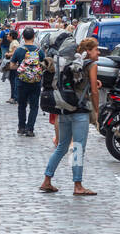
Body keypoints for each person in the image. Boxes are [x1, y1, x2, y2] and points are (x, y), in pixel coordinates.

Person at [40, 37, 101, 195]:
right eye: (96, 49)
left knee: (61, 147)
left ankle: (47, 180)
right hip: (80, 112)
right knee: (78, 148)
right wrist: (97, 110)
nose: (99, 52)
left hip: (64, 108)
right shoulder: (92, 65)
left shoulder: (72, 62)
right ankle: (78, 185)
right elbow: (94, 91)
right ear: (88, 51)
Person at [9, 28, 44, 137]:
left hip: (22, 81)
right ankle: (30, 128)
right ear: (34, 37)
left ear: (23, 37)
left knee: (22, 105)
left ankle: (21, 127)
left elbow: (11, 66)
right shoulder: (39, 51)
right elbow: (44, 65)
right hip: (36, 82)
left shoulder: (19, 50)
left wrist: (21, 67)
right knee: (34, 106)